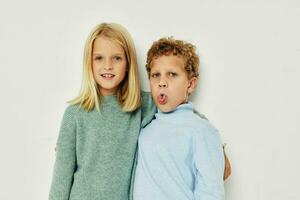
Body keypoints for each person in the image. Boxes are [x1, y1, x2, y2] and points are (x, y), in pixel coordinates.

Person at [49, 22, 156, 200]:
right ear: (89, 63)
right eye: (99, 58)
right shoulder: (74, 114)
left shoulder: (143, 105)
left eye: (117, 58)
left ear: (128, 63)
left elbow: (179, 110)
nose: (108, 65)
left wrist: (214, 145)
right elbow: (61, 177)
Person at [133, 37, 225, 200]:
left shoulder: (201, 130)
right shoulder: (145, 125)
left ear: (190, 84)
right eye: (155, 75)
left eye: (172, 74)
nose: (162, 82)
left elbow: (211, 192)